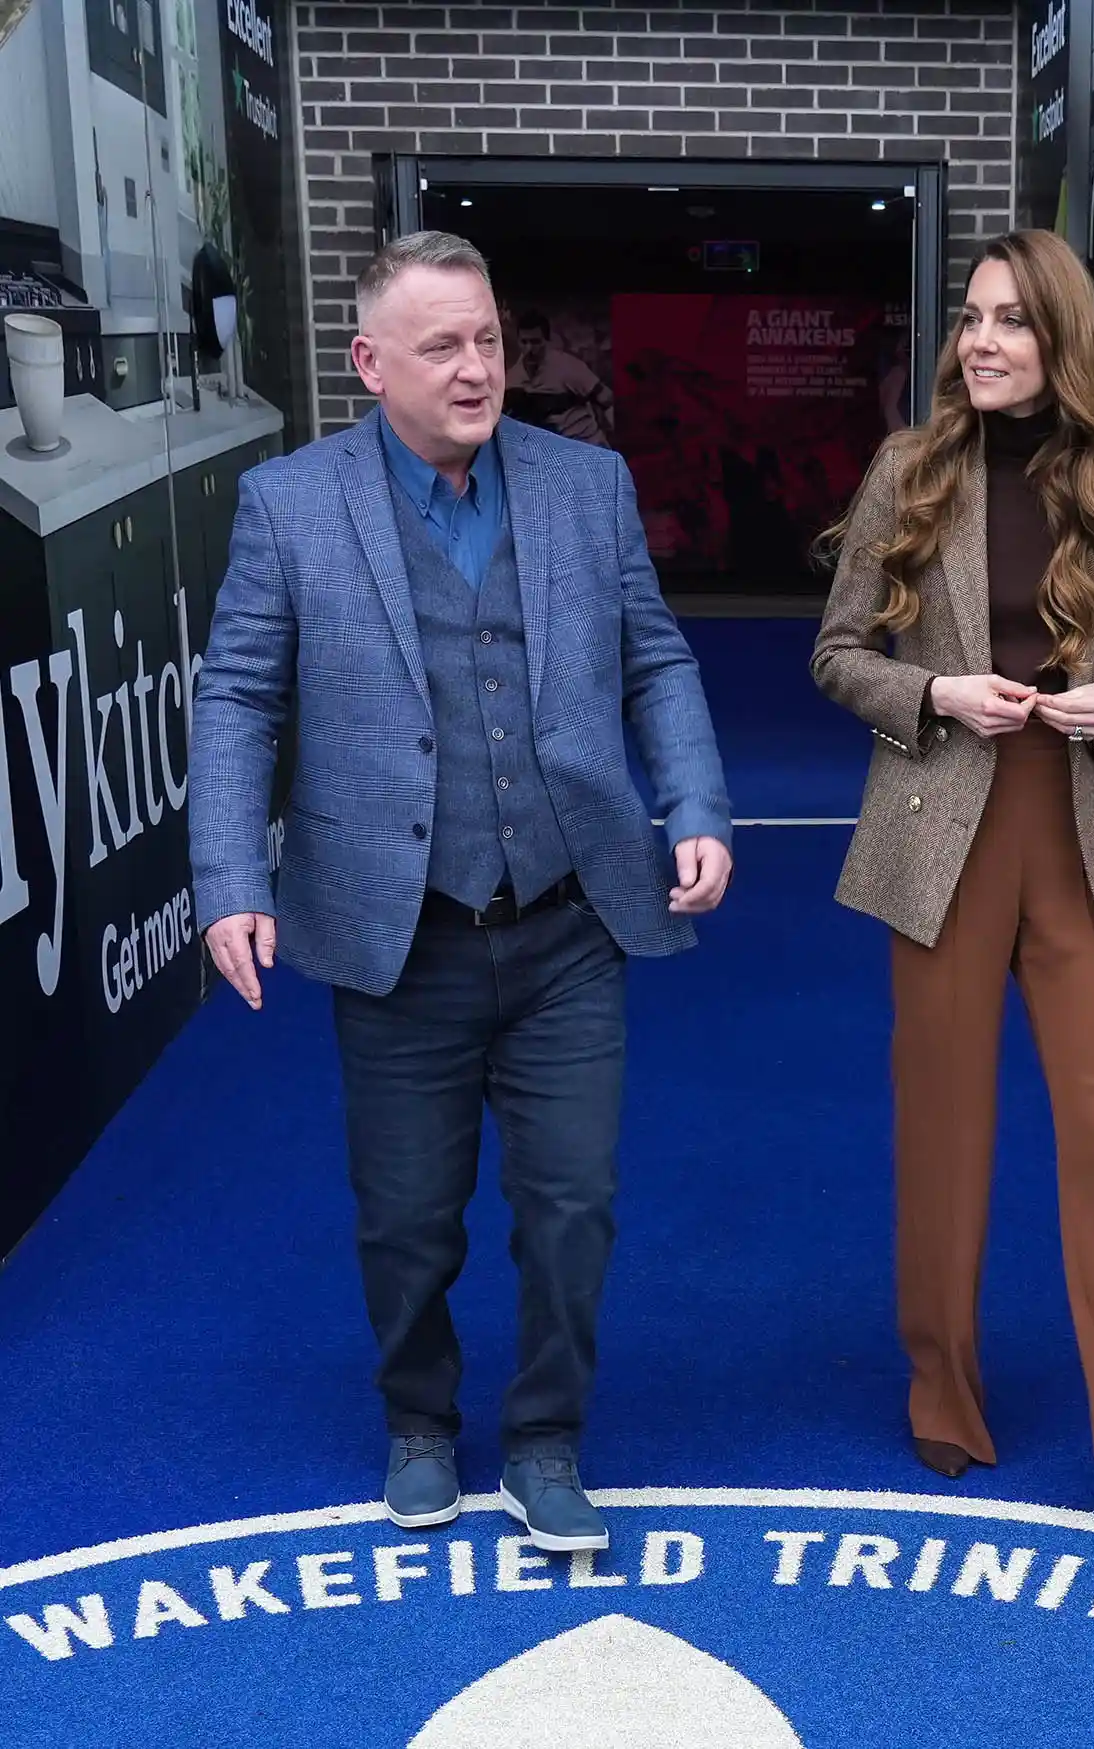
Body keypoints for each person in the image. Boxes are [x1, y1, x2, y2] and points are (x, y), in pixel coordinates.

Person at [188, 232, 733, 1551]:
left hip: (568, 922)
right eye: (443, 347)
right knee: (409, 1222)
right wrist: (228, 876)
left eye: (488, 337)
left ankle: (547, 1439)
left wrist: (698, 805)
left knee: (571, 1212)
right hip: (399, 936)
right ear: (372, 365)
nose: (478, 366)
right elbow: (241, 699)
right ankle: (421, 1419)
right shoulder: (290, 506)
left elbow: (654, 661)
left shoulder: (587, 486)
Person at [810, 231, 1094, 1517]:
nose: (980, 341)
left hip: (1074, 839)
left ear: (1061, 340)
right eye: (971, 319)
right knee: (945, 1132)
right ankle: (944, 1392)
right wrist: (935, 690)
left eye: (1010, 322)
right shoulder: (907, 469)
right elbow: (836, 652)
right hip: (941, 832)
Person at [504, 310, 615, 446]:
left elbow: (607, 399)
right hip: (551, 448)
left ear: (547, 340)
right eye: (524, 342)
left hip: (586, 442)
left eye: (535, 342)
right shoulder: (513, 378)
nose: (529, 348)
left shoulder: (568, 367)